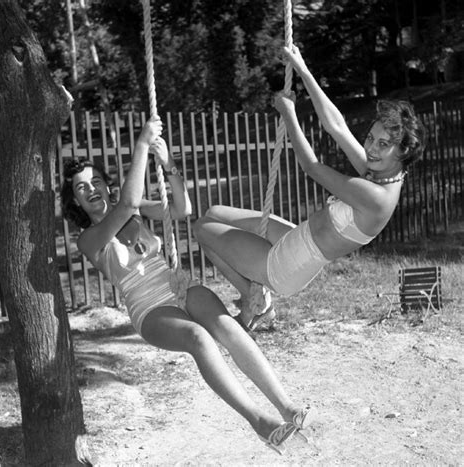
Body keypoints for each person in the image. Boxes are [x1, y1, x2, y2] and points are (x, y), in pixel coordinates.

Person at [60, 116, 315, 454]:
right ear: (76, 202)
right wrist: (141, 144)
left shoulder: (137, 215)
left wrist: (169, 165)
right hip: (150, 308)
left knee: (227, 328)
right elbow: (127, 204)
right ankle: (260, 421)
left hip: (176, 285)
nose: (91, 189)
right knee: (198, 338)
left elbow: (183, 208)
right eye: (81, 187)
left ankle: (286, 407)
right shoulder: (90, 239)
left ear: (107, 185)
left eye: (95, 181)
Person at [193, 45, 427, 329]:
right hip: (297, 236)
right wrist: (302, 70)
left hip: (285, 265)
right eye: (371, 137)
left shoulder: (376, 196)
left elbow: (312, 167)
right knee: (215, 212)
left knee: (201, 228)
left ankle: (254, 301)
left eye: (383, 144)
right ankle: (256, 298)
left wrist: (288, 113)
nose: (371, 148)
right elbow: (337, 126)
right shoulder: (382, 172)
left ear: (402, 152)